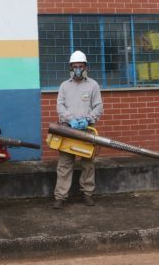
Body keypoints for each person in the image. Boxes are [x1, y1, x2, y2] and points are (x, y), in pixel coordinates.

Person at [53, 50, 104, 209]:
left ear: (85, 66)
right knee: (64, 165)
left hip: (86, 130)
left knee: (88, 164)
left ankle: (87, 194)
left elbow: (98, 107)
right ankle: (60, 197)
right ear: (70, 67)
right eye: (74, 66)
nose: (77, 69)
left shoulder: (93, 85)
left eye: (80, 66)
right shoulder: (64, 86)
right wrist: (70, 119)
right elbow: (59, 106)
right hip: (67, 129)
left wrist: (87, 119)